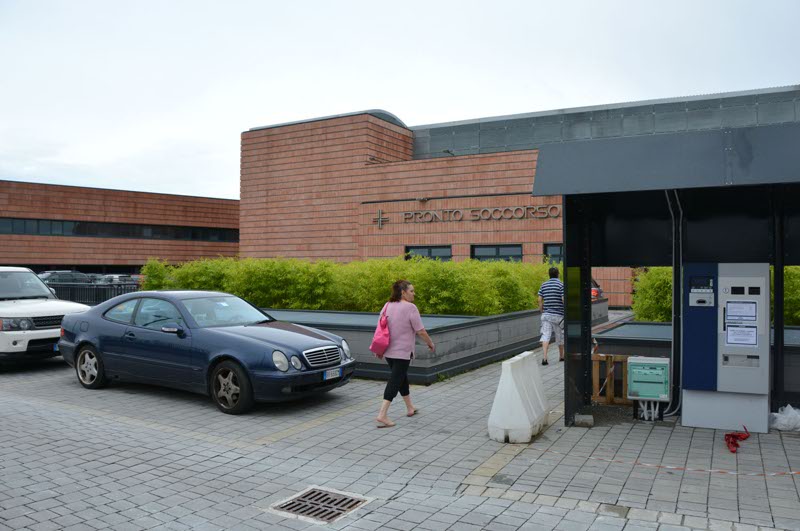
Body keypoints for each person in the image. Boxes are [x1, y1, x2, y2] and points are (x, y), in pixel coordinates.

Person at [375, 280, 435, 428]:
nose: (414, 294)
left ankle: (410, 407)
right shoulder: (410, 308)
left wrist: (379, 349)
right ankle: (382, 415)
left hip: (389, 351)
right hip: (402, 352)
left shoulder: (387, 305)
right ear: (403, 292)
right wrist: (430, 343)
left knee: (401, 378)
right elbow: (420, 330)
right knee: (395, 380)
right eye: (412, 291)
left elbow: (379, 328)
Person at [537, 267, 564, 365]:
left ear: (549, 274)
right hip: (558, 315)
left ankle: (544, 358)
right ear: (558, 274)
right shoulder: (561, 285)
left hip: (546, 315)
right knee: (559, 335)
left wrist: (542, 310)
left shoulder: (544, 285)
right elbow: (563, 299)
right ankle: (561, 356)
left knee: (546, 335)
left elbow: (539, 299)